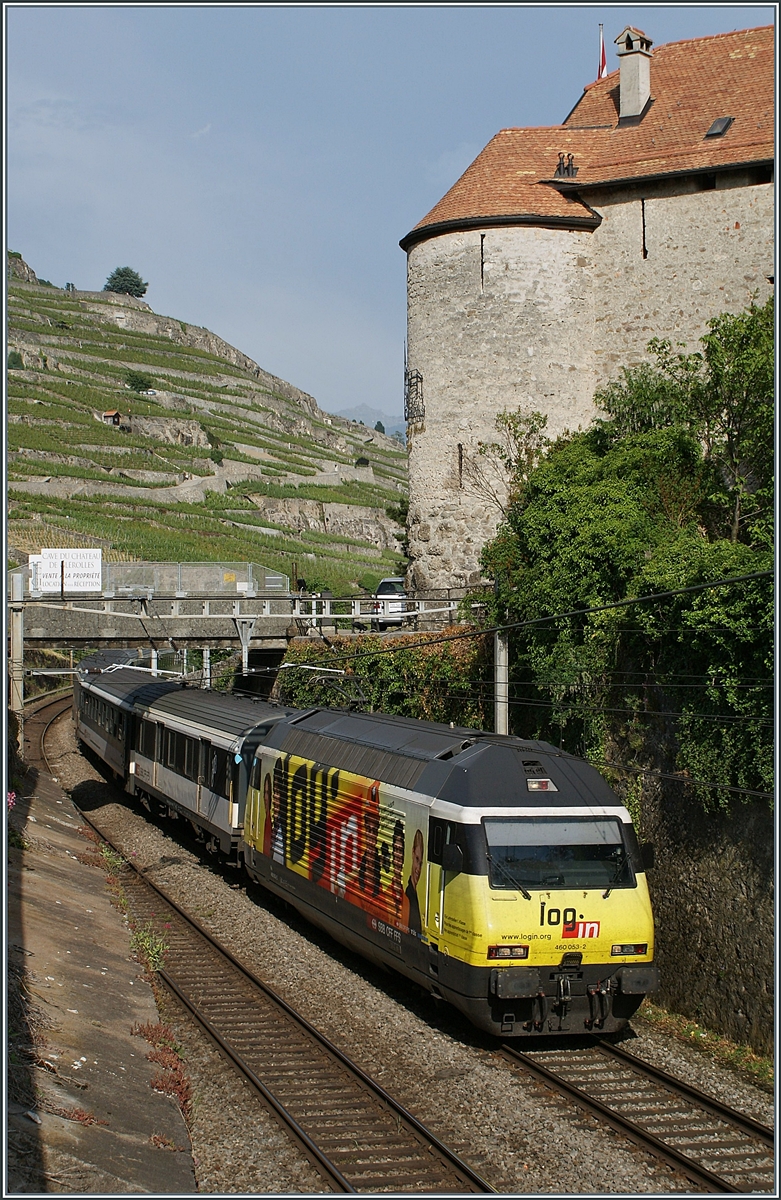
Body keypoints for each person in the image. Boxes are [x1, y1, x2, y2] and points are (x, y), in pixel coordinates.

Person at [404, 828, 424, 935]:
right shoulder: (408, 896)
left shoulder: (415, 897)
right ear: (412, 853)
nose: (418, 869)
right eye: (417, 859)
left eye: (421, 863)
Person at [388, 820, 405, 926]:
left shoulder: (408, 898)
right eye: (396, 849)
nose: (398, 856)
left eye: (401, 851)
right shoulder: (386, 894)